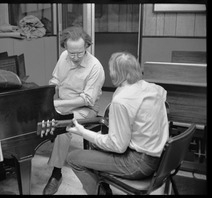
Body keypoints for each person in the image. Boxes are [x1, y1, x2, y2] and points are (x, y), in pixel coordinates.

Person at [66, 52, 169, 195]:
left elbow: (118, 146)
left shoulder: (122, 100)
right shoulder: (154, 88)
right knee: (95, 144)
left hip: (138, 163)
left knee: (73, 158)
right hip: (160, 158)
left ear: (115, 73)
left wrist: (83, 132)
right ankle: (102, 187)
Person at [41, 26, 105, 195]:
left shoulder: (95, 67)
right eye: (72, 53)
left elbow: (87, 99)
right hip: (61, 102)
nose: (75, 57)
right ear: (65, 48)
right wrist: (47, 99)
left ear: (86, 47)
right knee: (36, 115)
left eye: (80, 53)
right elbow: (55, 80)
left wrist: (58, 105)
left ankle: (56, 174)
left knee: (63, 126)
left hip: (85, 108)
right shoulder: (64, 56)